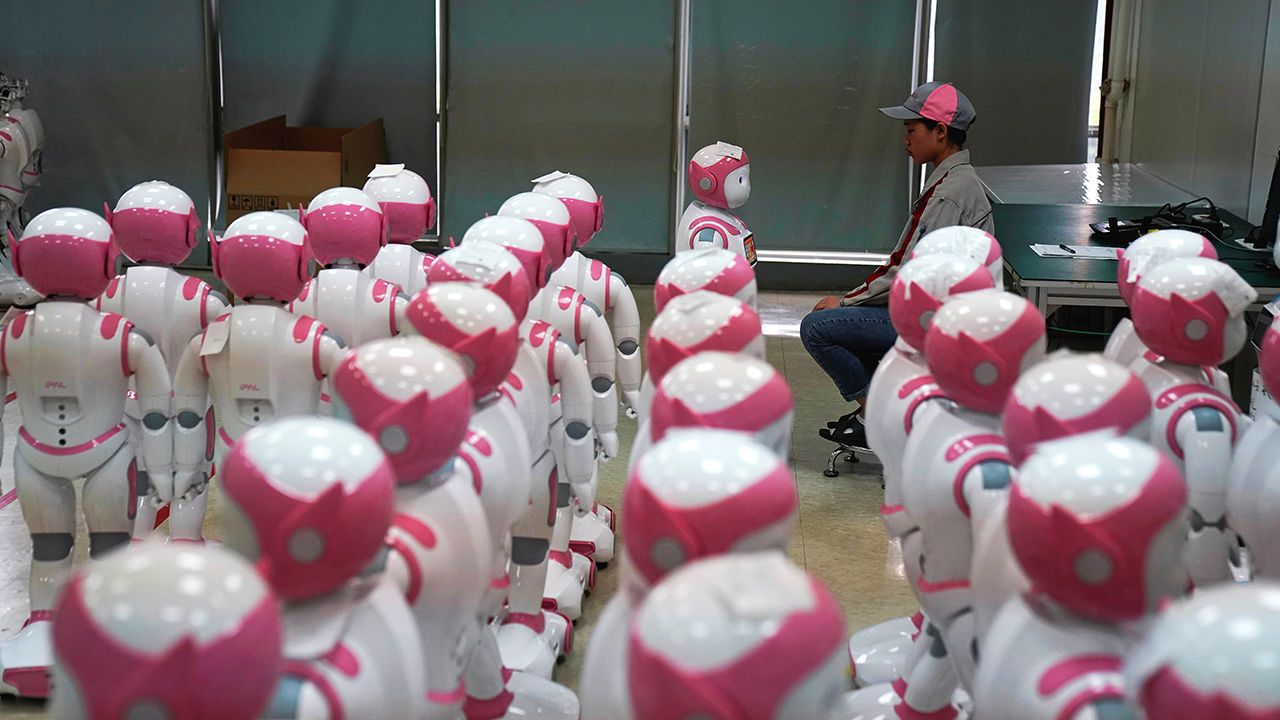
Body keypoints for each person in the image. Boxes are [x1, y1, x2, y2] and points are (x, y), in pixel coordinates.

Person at [801, 81, 994, 449]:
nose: (905, 140)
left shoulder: (950, 194)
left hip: (937, 325)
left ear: (940, 132)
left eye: (911, 130)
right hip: (939, 316)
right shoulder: (956, 181)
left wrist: (844, 303)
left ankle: (876, 418)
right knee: (848, 325)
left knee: (818, 328)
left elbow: (904, 272)